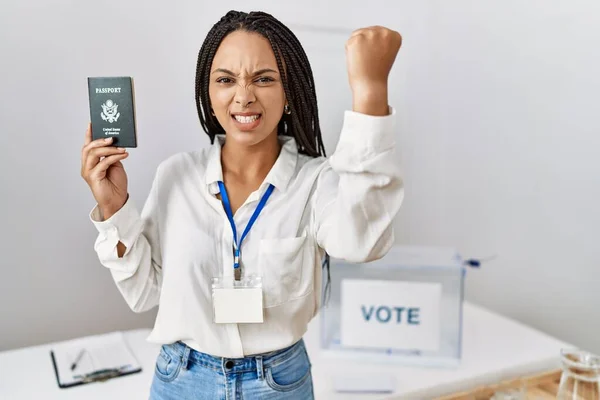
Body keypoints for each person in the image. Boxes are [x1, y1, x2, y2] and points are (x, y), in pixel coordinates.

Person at [80, 10, 403, 400]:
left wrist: (369, 93)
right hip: (182, 380)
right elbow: (144, 295)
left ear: (288, 94)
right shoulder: (176, 176)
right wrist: (115, 210)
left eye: (264, 79)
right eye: (226, 80)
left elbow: (361, 242)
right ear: (208, 93)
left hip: (279, 383)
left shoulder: (316, 181)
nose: (244, 95)